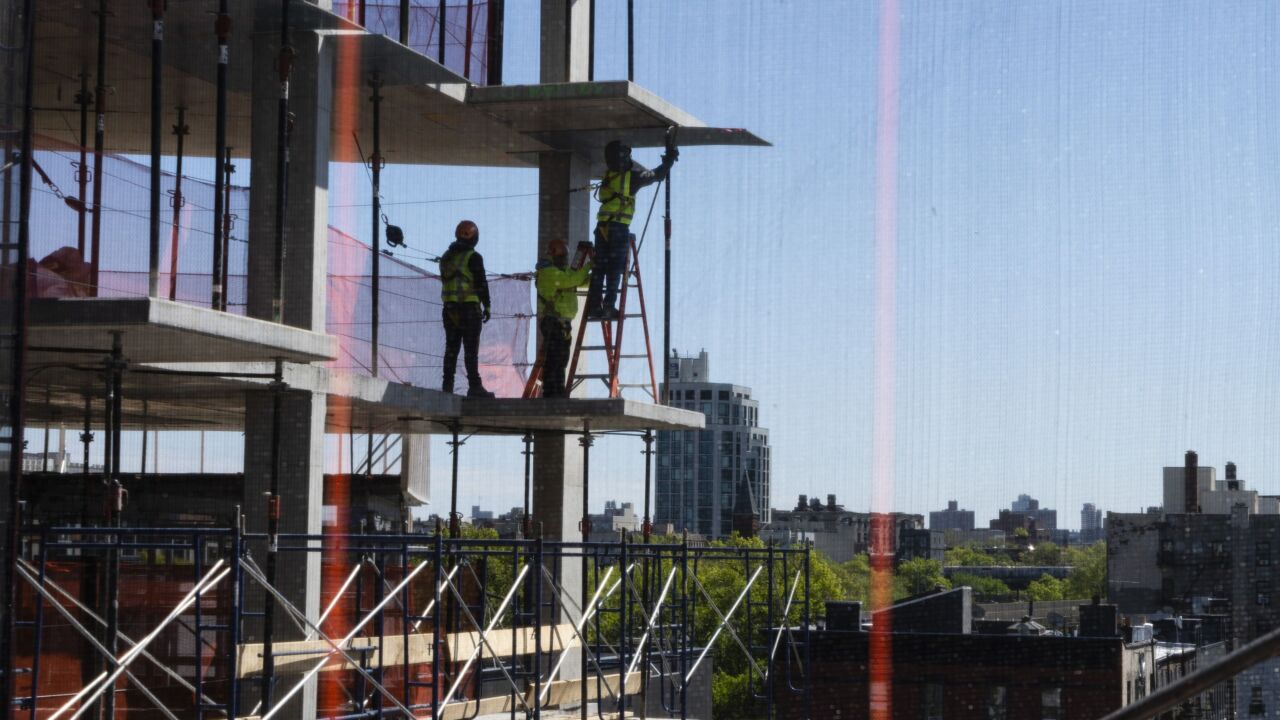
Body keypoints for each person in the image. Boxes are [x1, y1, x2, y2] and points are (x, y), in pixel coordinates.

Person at [586, 138, 678, 319]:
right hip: (617, 229)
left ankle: (594, 306)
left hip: (602, 227)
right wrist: (668, 161)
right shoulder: (631, 178)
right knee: (615, 268)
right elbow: (656, 176)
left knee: (599, 269)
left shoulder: (609, 176)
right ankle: (608, 306)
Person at [439, 219, 495, 398]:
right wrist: (487, 305)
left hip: (449, 310)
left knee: (451, 349)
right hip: (469, 309)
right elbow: (481, 284)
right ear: (474, 238)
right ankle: (474, 386)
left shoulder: (446, 257)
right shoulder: (473, 257)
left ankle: (447, 386)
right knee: (470, 350)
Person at [535, 239, 593, 398]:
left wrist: (597, 274)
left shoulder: (561, 272)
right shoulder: (548, 273)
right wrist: (590, 265)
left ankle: (557, 391)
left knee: (561, 359)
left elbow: (579, 280)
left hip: (562, 323)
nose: (565, 260)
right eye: (562, 257)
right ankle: (551, 393)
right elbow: (572, 280)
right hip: (553, 322)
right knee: (554, 358)